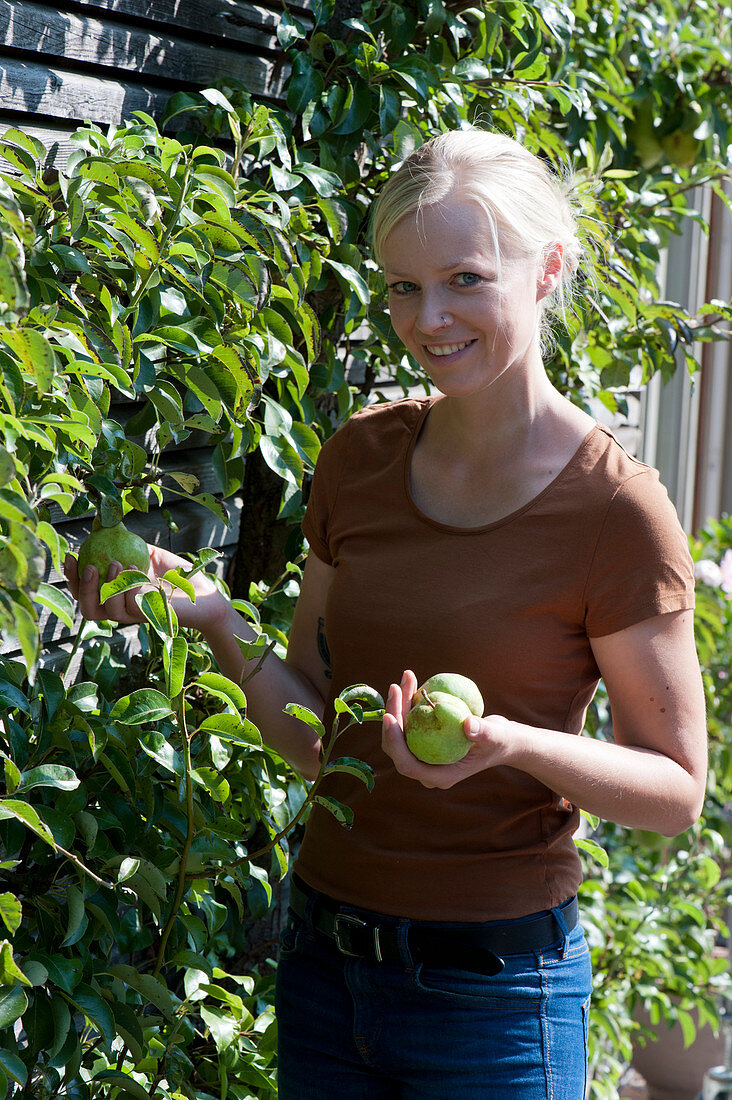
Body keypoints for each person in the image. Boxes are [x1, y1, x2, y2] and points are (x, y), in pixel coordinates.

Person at [65, 128, 708, 1099]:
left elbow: (676, 787)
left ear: (548, 271)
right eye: (403, 286)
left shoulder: (614, 510)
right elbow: (320, 736)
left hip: (494, 997)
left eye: (463, 278)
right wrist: (209, 617)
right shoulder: (359, 460)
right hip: (327, 965)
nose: (429, 317)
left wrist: (509, 744)